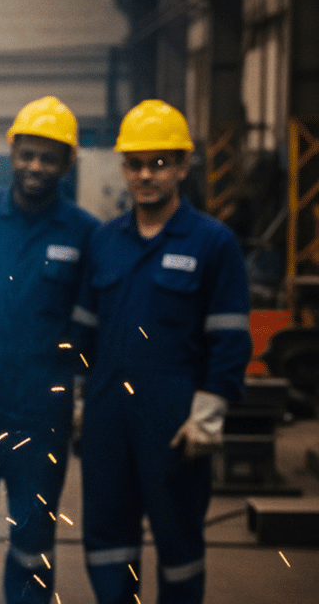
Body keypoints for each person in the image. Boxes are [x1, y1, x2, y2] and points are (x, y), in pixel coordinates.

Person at [72, 100, 251, 604]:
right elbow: (83, 331)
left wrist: (210, 411)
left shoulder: (213, 243)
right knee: (107, 540)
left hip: (174, 420)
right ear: (123, 168)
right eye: (135, 164)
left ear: (182, 166)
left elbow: (230, 335)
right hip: (107, 416)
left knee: (179, 543)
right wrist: (81, 398)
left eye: (159, 163)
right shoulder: (104, 241)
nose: (146, 175)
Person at [0, 95, 99, 604]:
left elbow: (89, 321)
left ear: (66, 163)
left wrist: (81, 391)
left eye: (48, 158)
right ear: (12, 154)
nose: (35, 166)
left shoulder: (84, 233)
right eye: (27, 154)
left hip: (42, 416)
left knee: (33, 541)